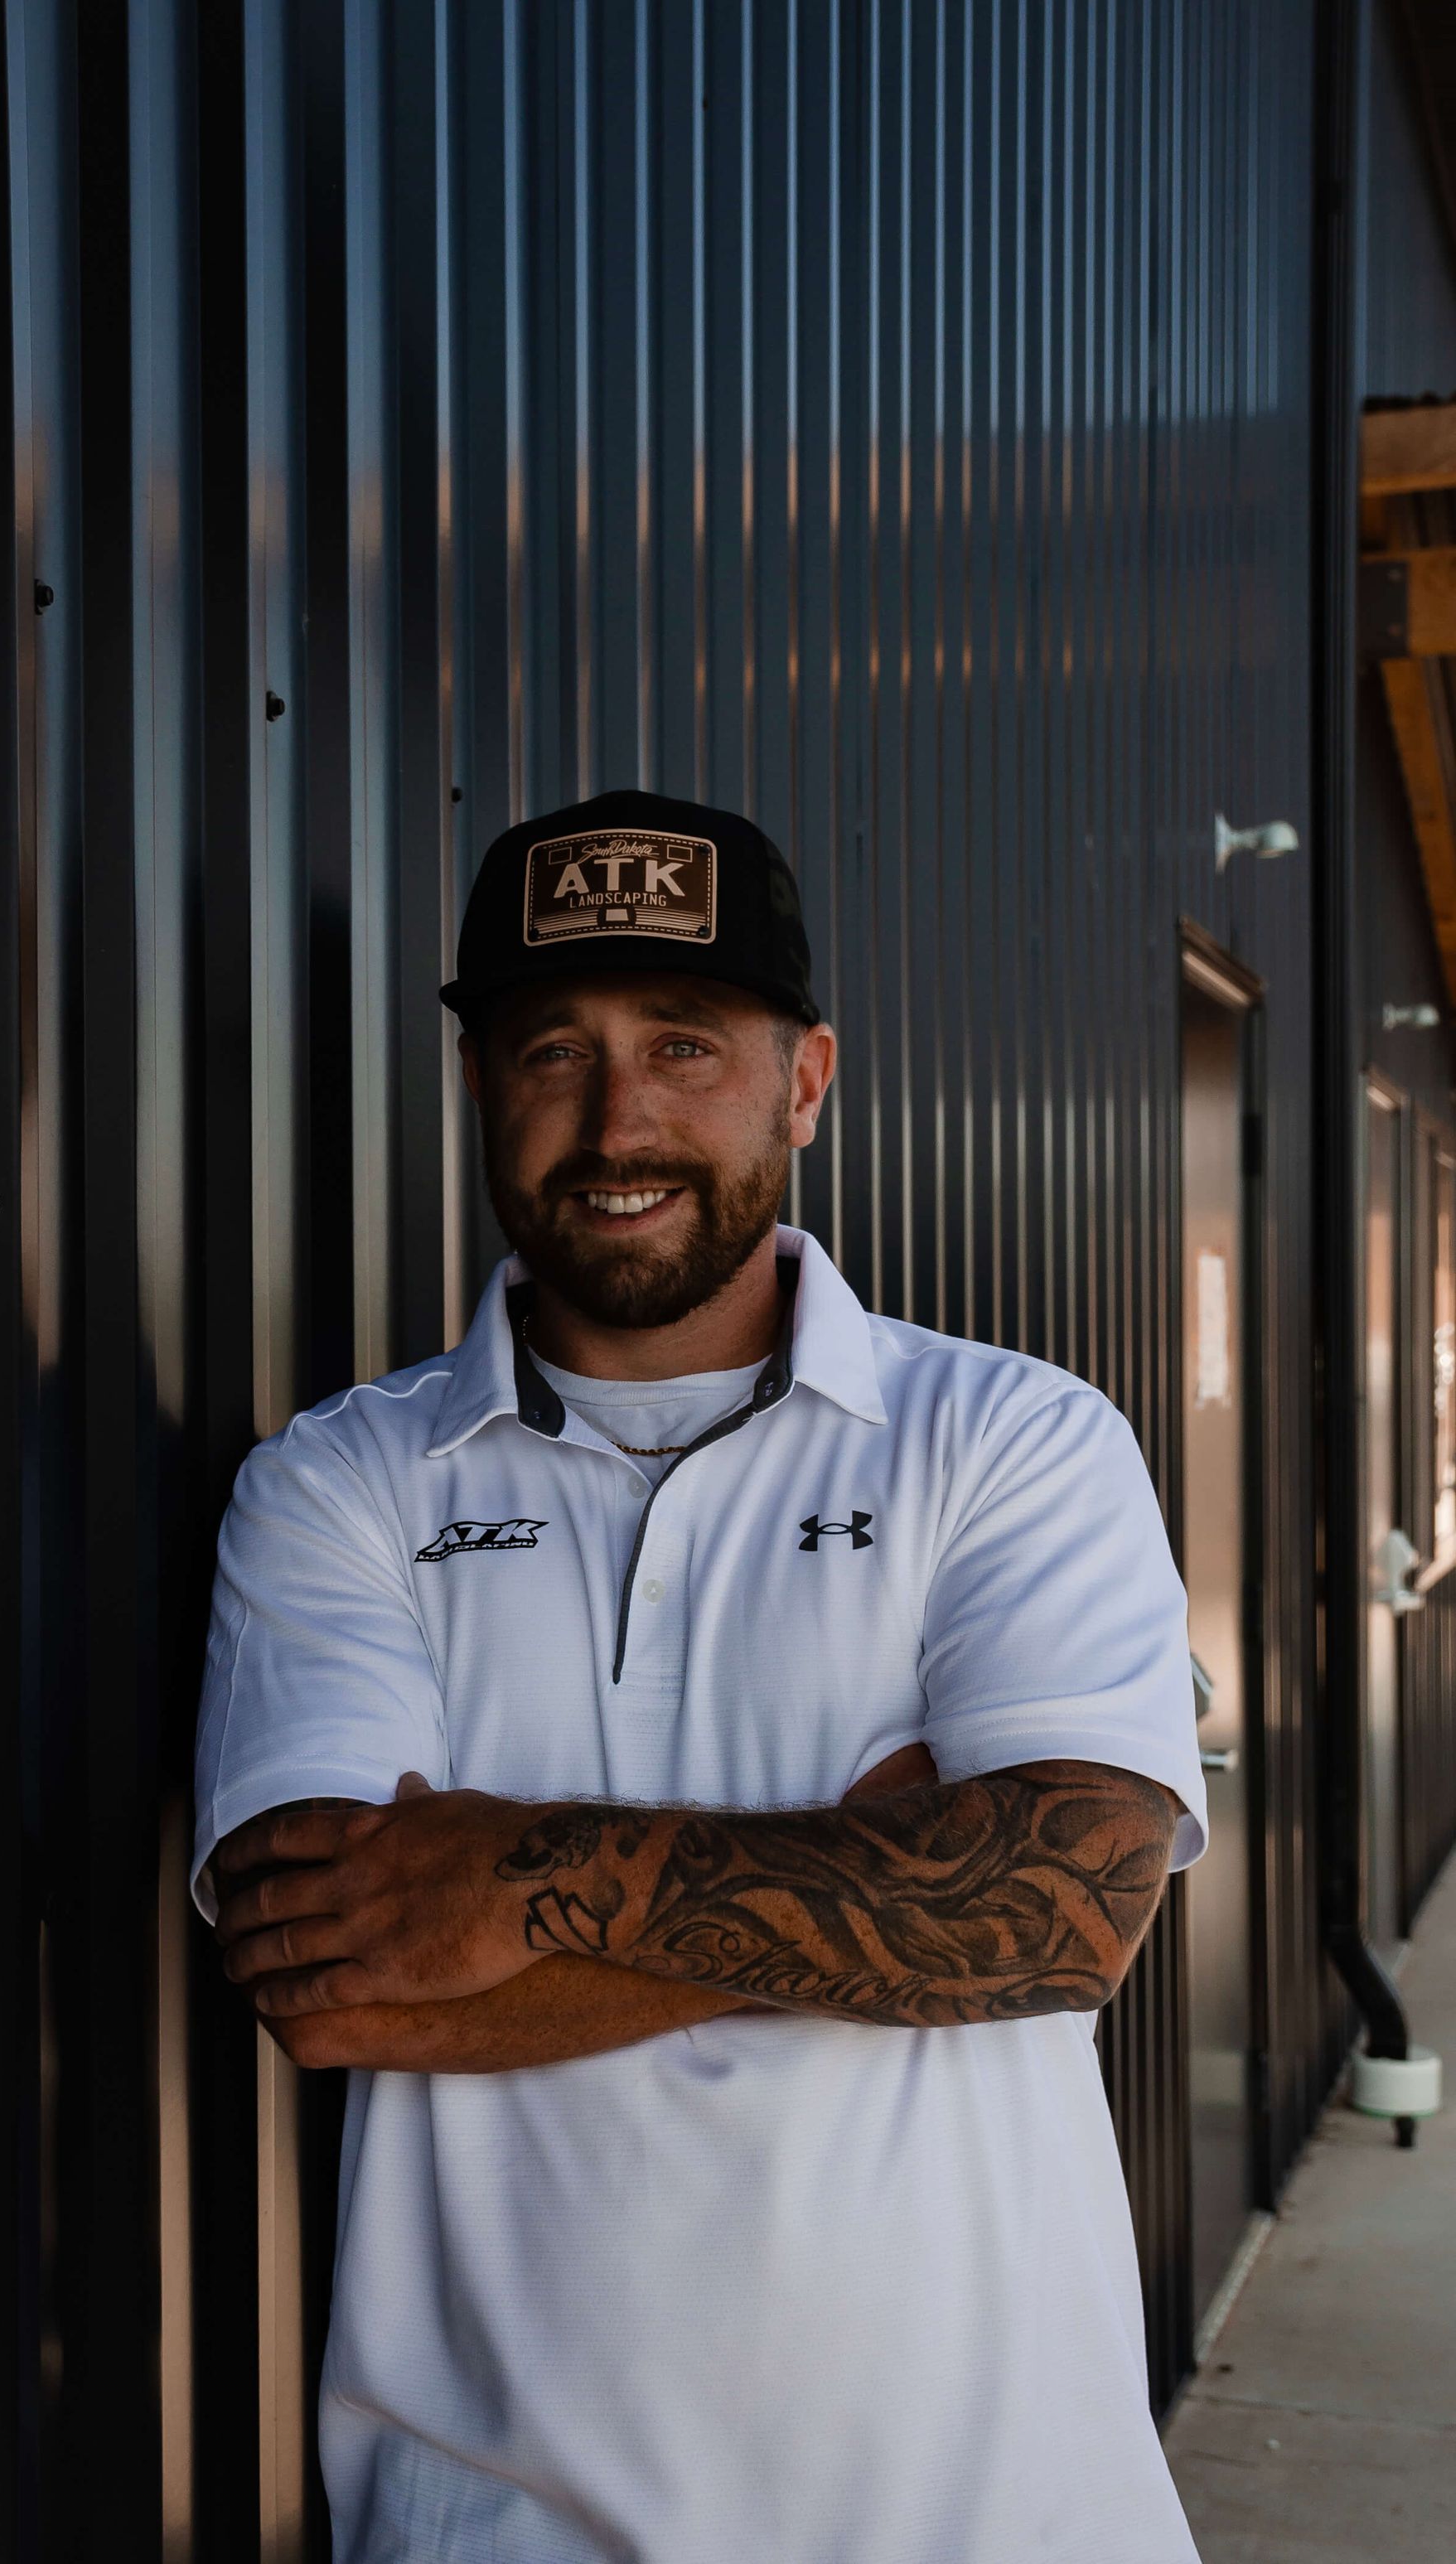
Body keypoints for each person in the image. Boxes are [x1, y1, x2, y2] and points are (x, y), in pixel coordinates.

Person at [192, 786, 1208, 2564]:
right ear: (480, 1086)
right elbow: (341, 1985)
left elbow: (1060, 1911)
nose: (617, 1119)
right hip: (491, 2524)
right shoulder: (337, 1484)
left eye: (685, 1045)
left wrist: (516, 1883)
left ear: (804, 1080)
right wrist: (876, 1848)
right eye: (549, 1051)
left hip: (996, 2516)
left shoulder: (1012, 1439)